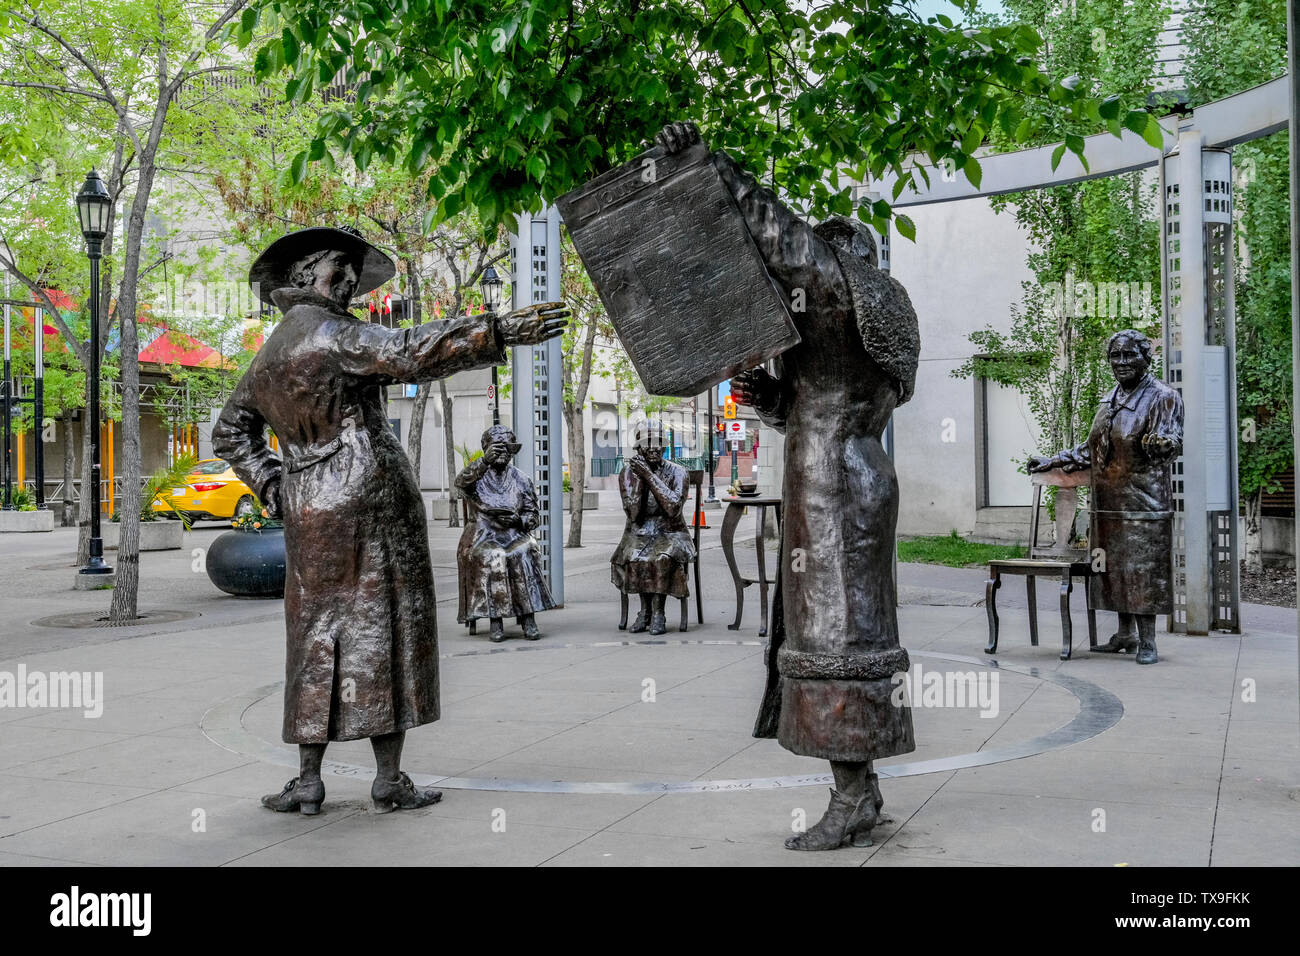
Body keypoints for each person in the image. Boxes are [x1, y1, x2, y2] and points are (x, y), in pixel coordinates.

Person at [213, 225, 566, 815]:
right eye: (337, 270)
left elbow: (230, 432)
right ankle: (388, 778)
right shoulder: (331, 333)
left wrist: (279, 486)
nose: (349, 281)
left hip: (309, 503)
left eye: (353, 273)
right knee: (388, 625)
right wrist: (496, 329)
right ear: (304, 277)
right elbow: (407, 350)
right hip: (368, 499)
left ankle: (308, 780)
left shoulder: (272, 350)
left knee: (315, 634)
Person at [655, 122, 921, 850]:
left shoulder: (839, 290)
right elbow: (818, 405)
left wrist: (709, 163)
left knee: (835, 633)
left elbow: (775, 232)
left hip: (831, 485)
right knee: (848, 627)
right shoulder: (880, 320)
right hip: (853, 473)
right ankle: (861, 788)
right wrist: (771, 400)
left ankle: (846, 797)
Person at [1029, 328, 1184, 665]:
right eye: (1116, 355)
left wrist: (1162, 444)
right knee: (1111, 570)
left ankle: (1148, 641)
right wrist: (1052, 460)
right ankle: (1124, 634)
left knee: (1142, 571)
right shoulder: (1108, 399)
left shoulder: (1162, 397)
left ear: (1146, 357)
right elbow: (1089, 449)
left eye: (1130, 355)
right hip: (1107, 504)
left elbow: (1170, 441)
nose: (1122, 362)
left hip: (1143, 505)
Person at [455, 424, 556, 642]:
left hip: (514, 534)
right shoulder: (477, 475)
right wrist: (484, 462)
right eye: (497, 449)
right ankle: (496, 620)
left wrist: (519, 520)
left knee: (523, 552)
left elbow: (533, 514)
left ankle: (528, 618)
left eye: (507, 449)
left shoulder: (521, 479)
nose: (502, 453)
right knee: (494, 556)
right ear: (486, 449)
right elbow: (460, 483)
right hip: (484, 535)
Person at [610, 420, 696, 636]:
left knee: (660, 556)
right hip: (639, 531)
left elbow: (672, 509)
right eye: (647, 443)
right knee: (636, 555)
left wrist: (649, 475)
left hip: (671, 531)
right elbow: (633, 514)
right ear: (638, 448)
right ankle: (644, 612)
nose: (653, 447)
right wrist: (640, 478)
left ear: (665, 446)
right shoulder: (628, 473)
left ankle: (658, 613)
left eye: (658, 442)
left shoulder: (678, 472)